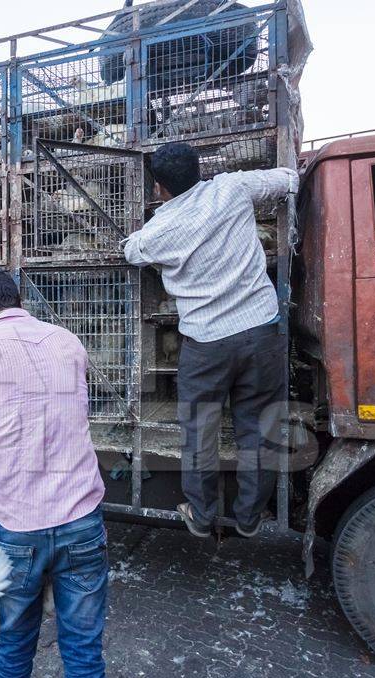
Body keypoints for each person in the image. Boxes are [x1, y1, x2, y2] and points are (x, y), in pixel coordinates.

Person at [122, 142, 299, 538]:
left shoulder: (160, 230)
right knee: (257, 427)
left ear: (158, 188)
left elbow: (130, 251)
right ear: (198, 169)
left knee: (200, 430)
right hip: (260, 332)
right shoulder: (231, 188)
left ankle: (201, 516)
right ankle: (250, 517)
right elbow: (288, 180)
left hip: (206, 345)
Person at [0, 269, 108, 678]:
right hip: (81, 518)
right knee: (84, 650)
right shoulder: (68, 341)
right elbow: (74, 417)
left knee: (15, 642)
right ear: (17, 301)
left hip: (18, 526)